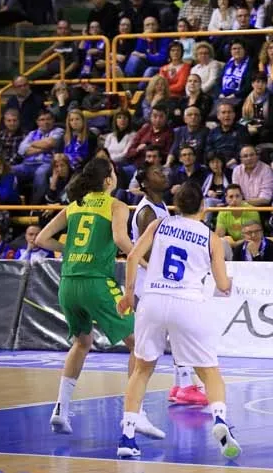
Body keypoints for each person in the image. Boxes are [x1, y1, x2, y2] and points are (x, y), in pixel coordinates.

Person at [34, 158, 164, 440]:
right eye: (114, 173)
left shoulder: (74, 205)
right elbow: (120, 239)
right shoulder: (115, 205)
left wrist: (68, 251)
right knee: (139, 343)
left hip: (68, 283)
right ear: (107, 180)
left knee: (82, 342)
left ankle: (61, 409)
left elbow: (41, 239)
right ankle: (135, 413)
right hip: (96, 282)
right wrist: (143, 261)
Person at [116, 183, 239, 460]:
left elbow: (133, 256)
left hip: (154, 300)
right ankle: (219, 420)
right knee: (210, 372)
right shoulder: (211, 238)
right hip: (188, 304)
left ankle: (127, 436)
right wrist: (229, 283)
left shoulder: (159, 224)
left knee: (142, 371)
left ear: (176, 205)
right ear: (203, 208)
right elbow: (221, 284)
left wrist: (127, 294)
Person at [130, 164, 206, 407]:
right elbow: (150, 253)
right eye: (155, 173)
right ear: (144, 183)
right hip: (151, 284)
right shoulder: (147, 213)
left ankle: (179, 385)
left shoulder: (160, 207)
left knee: (176, 334)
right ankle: (183, 385)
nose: (163, 174)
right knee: (177, 334)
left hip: (158, 282)